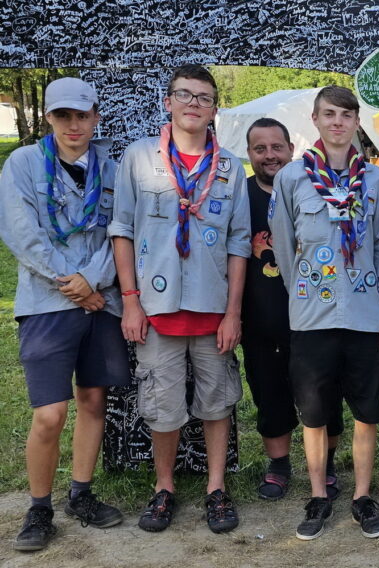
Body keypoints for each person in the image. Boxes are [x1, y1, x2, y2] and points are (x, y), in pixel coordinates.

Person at [110, 64, 250, 534]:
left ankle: (215, 488)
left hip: (213, 313)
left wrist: (233, 313)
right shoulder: (138, 157)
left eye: (204, 98)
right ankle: (163, 487)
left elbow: (238, 243)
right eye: (184, 95)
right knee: (162, 405)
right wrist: (130, 300)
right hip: (155, 309)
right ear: (167, 102)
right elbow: (123, 230)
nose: (194, 103)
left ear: (214, 110)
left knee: (217, 402)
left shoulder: (230, 166)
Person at [0, 77, 131, 552]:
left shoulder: (112, 169)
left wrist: (93, 283)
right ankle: (38, 507)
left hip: (100, 300)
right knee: (50, 414)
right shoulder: (22, 164)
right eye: (63, 116)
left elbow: (119, 230)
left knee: (94, 401)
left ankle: (81, 492)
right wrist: (72, 284)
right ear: (49, 118)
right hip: (47, 303)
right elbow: (21, 232)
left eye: (82, 115)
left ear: (96, 116)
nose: (74, 125)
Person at [269, 85, 379, 540]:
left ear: (356, 121)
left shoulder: (376, 181)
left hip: (364, 314)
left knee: (366, 411)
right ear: (316, 119)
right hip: (313, 316)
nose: (339, 122)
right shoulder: (292, 179)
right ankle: (319, 496)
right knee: (314, 413)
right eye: (330, 114)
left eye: (347, 115)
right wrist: (302, 292)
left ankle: (362, 496)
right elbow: (284, 247)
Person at [241, 118, 345, 501]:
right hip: (262, 317)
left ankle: (329, 463)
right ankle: (279, 464)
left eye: (277, 147)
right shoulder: (242, 195)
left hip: (317, 317)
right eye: (260, 148)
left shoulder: (314, 187)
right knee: (269, 392)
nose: (270, 155)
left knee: (325, 393)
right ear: (249, 153)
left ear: (291, 148)